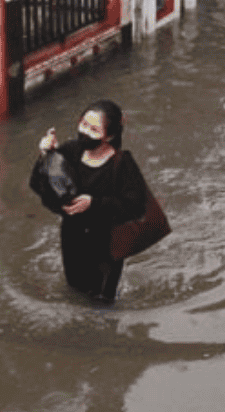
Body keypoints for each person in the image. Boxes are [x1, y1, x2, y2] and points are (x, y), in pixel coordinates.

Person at [33, 100, 148, 303]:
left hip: (108, 244)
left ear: (109, 136)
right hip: (73, 238)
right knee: (74, 290)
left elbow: (137, 207)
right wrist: (46, 156)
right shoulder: (70, 151)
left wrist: (94, 203)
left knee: (102, 301)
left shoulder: (122, 165)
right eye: (83, 124)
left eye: (94, 129)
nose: (85, 132)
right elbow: (40, 186)